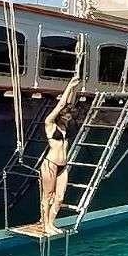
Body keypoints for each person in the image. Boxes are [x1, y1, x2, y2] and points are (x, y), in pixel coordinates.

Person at [32, 43, 87, 235]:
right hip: (50, 164)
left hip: (63, 165)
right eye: (67, 114)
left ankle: (51, 223)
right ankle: (45, 224)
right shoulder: (50, 123)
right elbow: (62, 103)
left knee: (60, 197)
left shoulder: (65, 127)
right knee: (47, 195)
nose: (69, 116)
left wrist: (75, 88)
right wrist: (69, 86)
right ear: (61, 115)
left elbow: (69, 103)